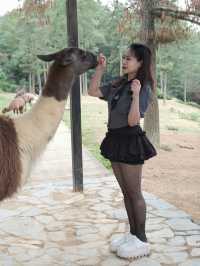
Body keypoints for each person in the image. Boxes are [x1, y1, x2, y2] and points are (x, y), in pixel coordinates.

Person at [88, 43, 157, 259]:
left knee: (134, 192)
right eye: (124, 58)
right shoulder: (118, 83)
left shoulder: (143, 87)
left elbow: (133, 120)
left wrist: (136, 95)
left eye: (129, 58)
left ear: (140, 63)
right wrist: (99, 69)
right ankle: (133, 234)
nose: (124, 61)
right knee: (126, 192)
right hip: (115, 139)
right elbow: (92, 91)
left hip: (130, 142)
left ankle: (142, 239)